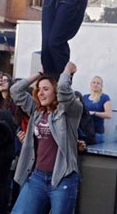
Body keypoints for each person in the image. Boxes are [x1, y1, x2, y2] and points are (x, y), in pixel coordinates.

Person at [9, 62, 82, 214]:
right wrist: (40, 74)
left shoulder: (70, 112)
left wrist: (67, 71)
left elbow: (63, 87)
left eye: (46, 89)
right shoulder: (37, 111)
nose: (40, 93)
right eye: (39, 89)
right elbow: (15, 90)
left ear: (55, 92)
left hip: (63, 177)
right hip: (38, 176)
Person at [82, 75, 112, 144]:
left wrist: (95, 113)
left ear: (101, 86)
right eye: (94, 82)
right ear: (90, 84)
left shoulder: (105, 97)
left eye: (98, 83)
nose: (95, 84)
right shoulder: (84, 97)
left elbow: (109, 115)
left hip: (97, 133)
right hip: (84, 133)